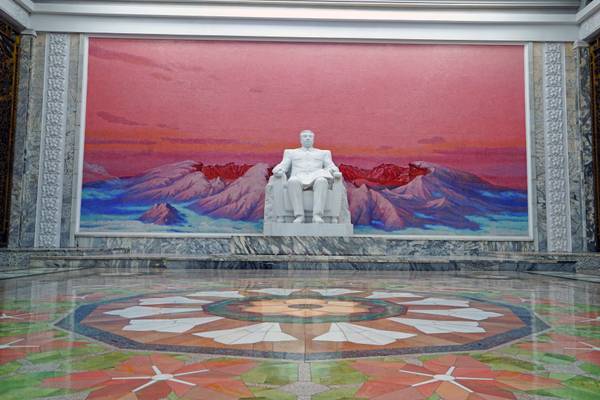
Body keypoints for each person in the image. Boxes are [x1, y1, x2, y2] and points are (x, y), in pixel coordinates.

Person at [272, 130, 341, 223]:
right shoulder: (291, 152)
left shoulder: (323, 153)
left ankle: (317, 216)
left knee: (322, 181)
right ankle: (299, 216)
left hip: (316, 177)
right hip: (298, 177)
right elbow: (283, 165)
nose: (307, 138)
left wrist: (333, 170)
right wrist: (278, 170)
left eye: (310, 136)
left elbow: (331, 166)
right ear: (300, 139)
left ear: (313, 139)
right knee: (292, 181)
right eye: (305, 136)